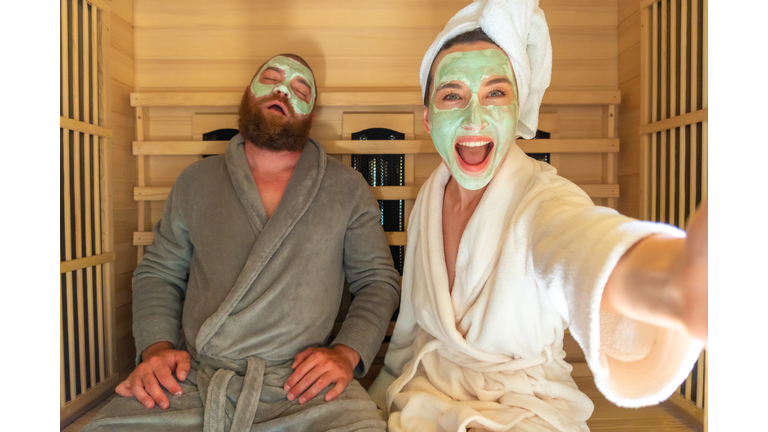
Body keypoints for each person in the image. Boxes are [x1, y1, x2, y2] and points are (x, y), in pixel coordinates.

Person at [367, 2, 707, 431]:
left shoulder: (542, 201)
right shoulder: (428, 203)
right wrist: (381, 390)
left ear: (516, 111)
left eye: (496, 93)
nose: (474, 117)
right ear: (427, 117)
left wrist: (672, 280)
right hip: (430, 393)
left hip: (526, 405)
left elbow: (578, 243)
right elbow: (410, 335)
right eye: (452, 95)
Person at [85, 54, 400, 432]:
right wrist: (156, 349)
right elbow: (158, 274)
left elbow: (377, 282)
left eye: (300, 89)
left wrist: (346, 354)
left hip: (301, 386)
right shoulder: (196, 182)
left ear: (310, 116)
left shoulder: (346, 189)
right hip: (196, 378)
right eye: (271, 78)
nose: (283, 90)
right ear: (248, 94)